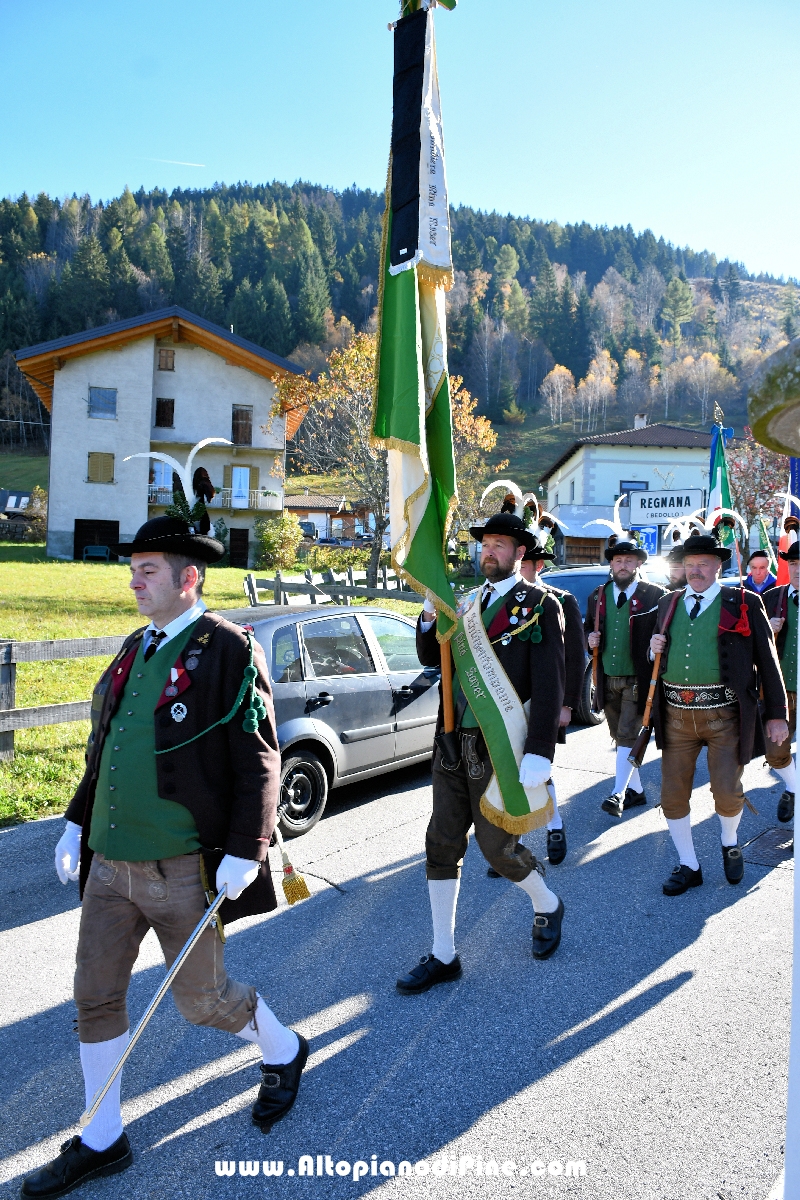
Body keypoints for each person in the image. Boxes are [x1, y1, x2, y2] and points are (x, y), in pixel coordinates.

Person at [22, 516, 307, 1200]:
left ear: (189, 577)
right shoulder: (133, 647)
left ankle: (285, 1049)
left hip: (182, 868)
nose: (134, 580)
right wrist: (72, 823)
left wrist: (248, 848)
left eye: (148, 570)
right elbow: (107, 748)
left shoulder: (230, 649)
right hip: (109, 865)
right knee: (95, 996)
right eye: (134, 569)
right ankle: (101, 1137)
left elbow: (261, 760)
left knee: (203, 1002)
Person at [396, 508, 567, 994]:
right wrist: (429, 616)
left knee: (498, 850)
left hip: (501, 747)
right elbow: (433, 657)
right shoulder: (465, 603)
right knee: (441, 843)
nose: (489, 551)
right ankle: (444, 954)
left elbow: (550, 684)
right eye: (485, 543)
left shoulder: (538, 604)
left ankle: (547, 903)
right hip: (451, 742)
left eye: (500, 545)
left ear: (519, 553)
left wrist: (541, 751)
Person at [637, 531, 788, 895]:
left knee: (726, 791)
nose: (695, 571)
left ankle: (729, 841)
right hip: (675, 716)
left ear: (718, 565)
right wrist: (652, 647)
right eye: (689, 564)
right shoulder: (669, 603)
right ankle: (689, 864)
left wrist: (777, 714)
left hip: (725, 716)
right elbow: (654, 658)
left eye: (703, 564)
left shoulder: (744, 601)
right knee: (672, 795)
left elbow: (767, 660)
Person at [585, 540, 666, 816]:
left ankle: (617, 794)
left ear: (638, 564)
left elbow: (667, 634)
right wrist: (590, 639)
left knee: (627, 735)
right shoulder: (598, 595)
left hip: (639, 678)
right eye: (618, 561)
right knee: (619, 737)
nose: (623, 565)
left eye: (629, 561)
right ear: (611, 564)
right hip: (606, 677)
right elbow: (588, 630)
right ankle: (638, 791)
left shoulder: (656, 595)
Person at [763, 542, 799, 823]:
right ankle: (793, 786)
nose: (798, 570)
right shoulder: (772, 598)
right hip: (781, 692)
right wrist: (767, 631)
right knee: (776, 753)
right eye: (794, 564)